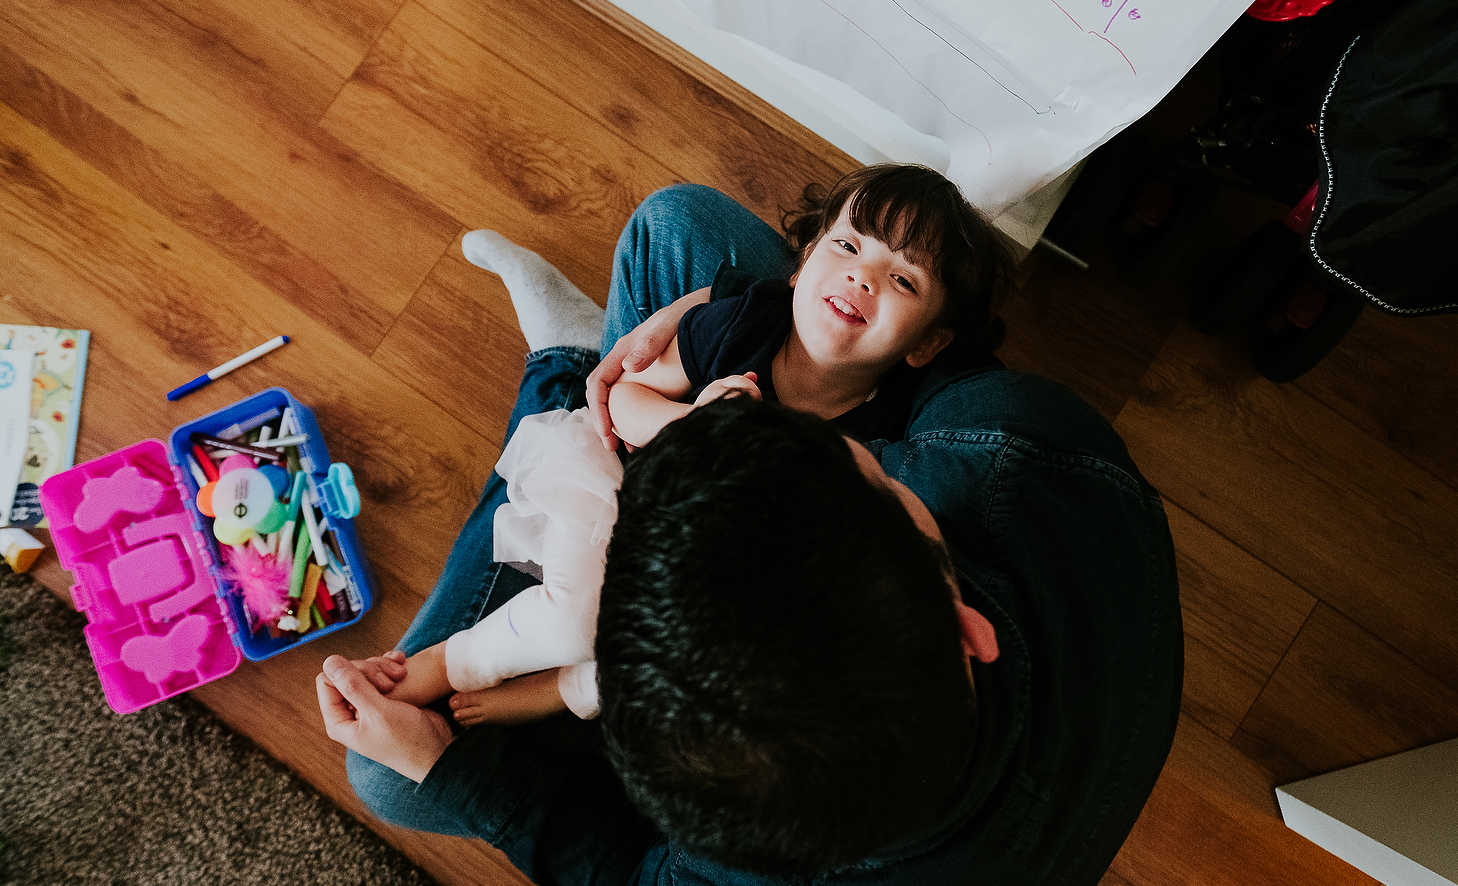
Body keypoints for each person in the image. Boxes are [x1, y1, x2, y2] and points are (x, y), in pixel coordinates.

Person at [319, 181, 1183, 886]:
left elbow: (636, 883)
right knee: (680, 228)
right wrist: (696, 320)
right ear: (967, 628)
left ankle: (560, 366)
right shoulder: (1027, 444)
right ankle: (580, 372)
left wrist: (443, 761)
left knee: (390, 775)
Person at [356, 165, 1017, 729]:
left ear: (927, 345)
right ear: (802, 266)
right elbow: (622, 399)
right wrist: (698, 426)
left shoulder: (890, 432)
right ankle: (450, 660)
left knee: (657, 664)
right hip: (623, 495)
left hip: (717, 573)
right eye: (846, 246)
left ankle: (557, 693)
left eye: (904, 280)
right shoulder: (743, 327)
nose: (863, 277)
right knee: (574, 619)